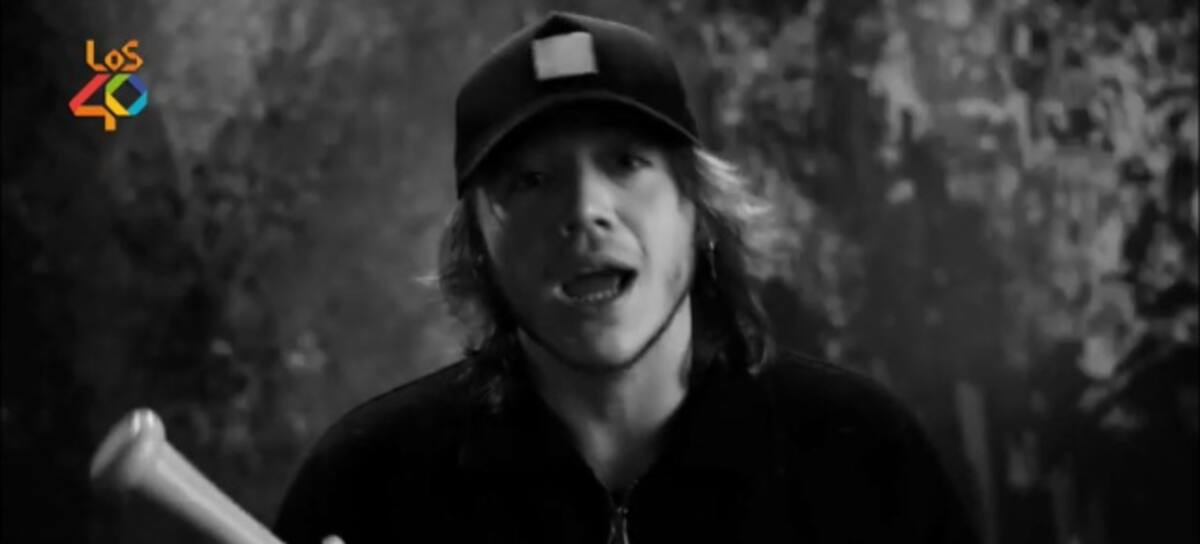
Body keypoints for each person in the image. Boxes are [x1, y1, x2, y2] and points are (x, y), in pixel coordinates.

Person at [274, 11, 975, 544]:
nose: (584, 211)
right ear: (477, 245)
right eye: (530, 181)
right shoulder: (365, 485)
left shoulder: (862, 458)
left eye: (625, 162)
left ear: (698, 208)